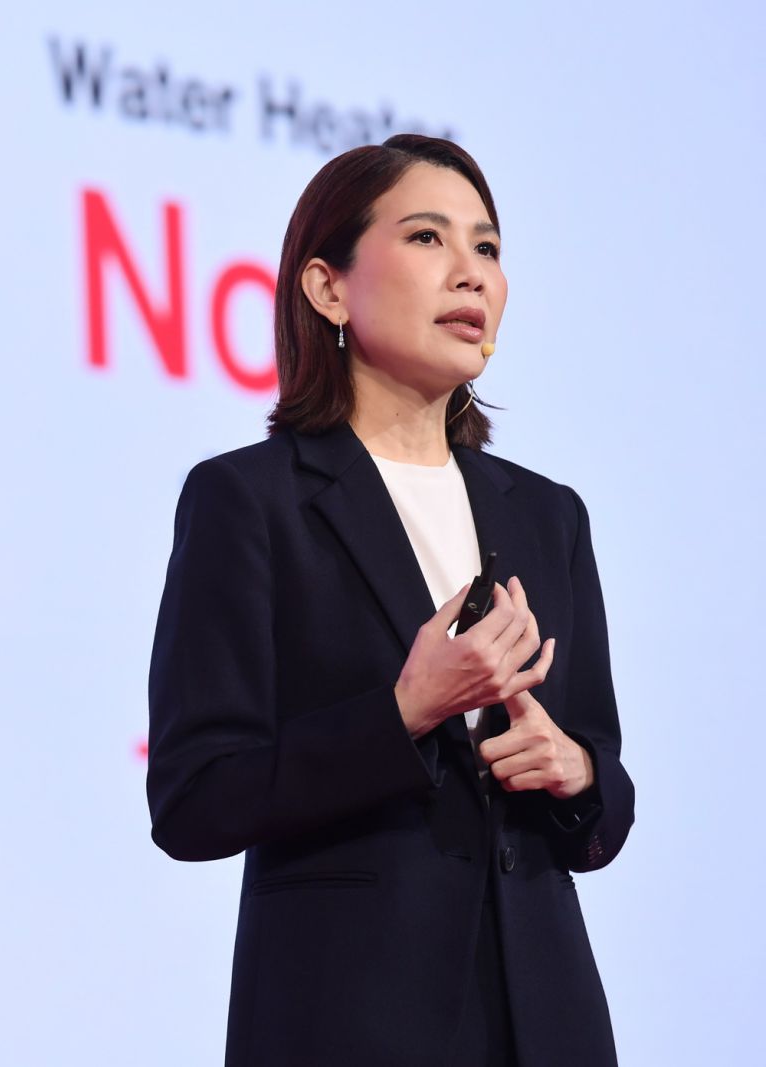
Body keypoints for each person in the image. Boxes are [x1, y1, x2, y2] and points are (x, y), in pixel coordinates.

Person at [145, 134, 634, 1066]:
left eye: (487, 247)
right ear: (328, 288)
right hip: (350, 1020)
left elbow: (604, 795)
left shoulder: (548, 515)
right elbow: (193, 797)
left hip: (546, 1022)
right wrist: (403, 712)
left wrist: (575, 770)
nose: (471, 272)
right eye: (427, 237)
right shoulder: (249, 501)